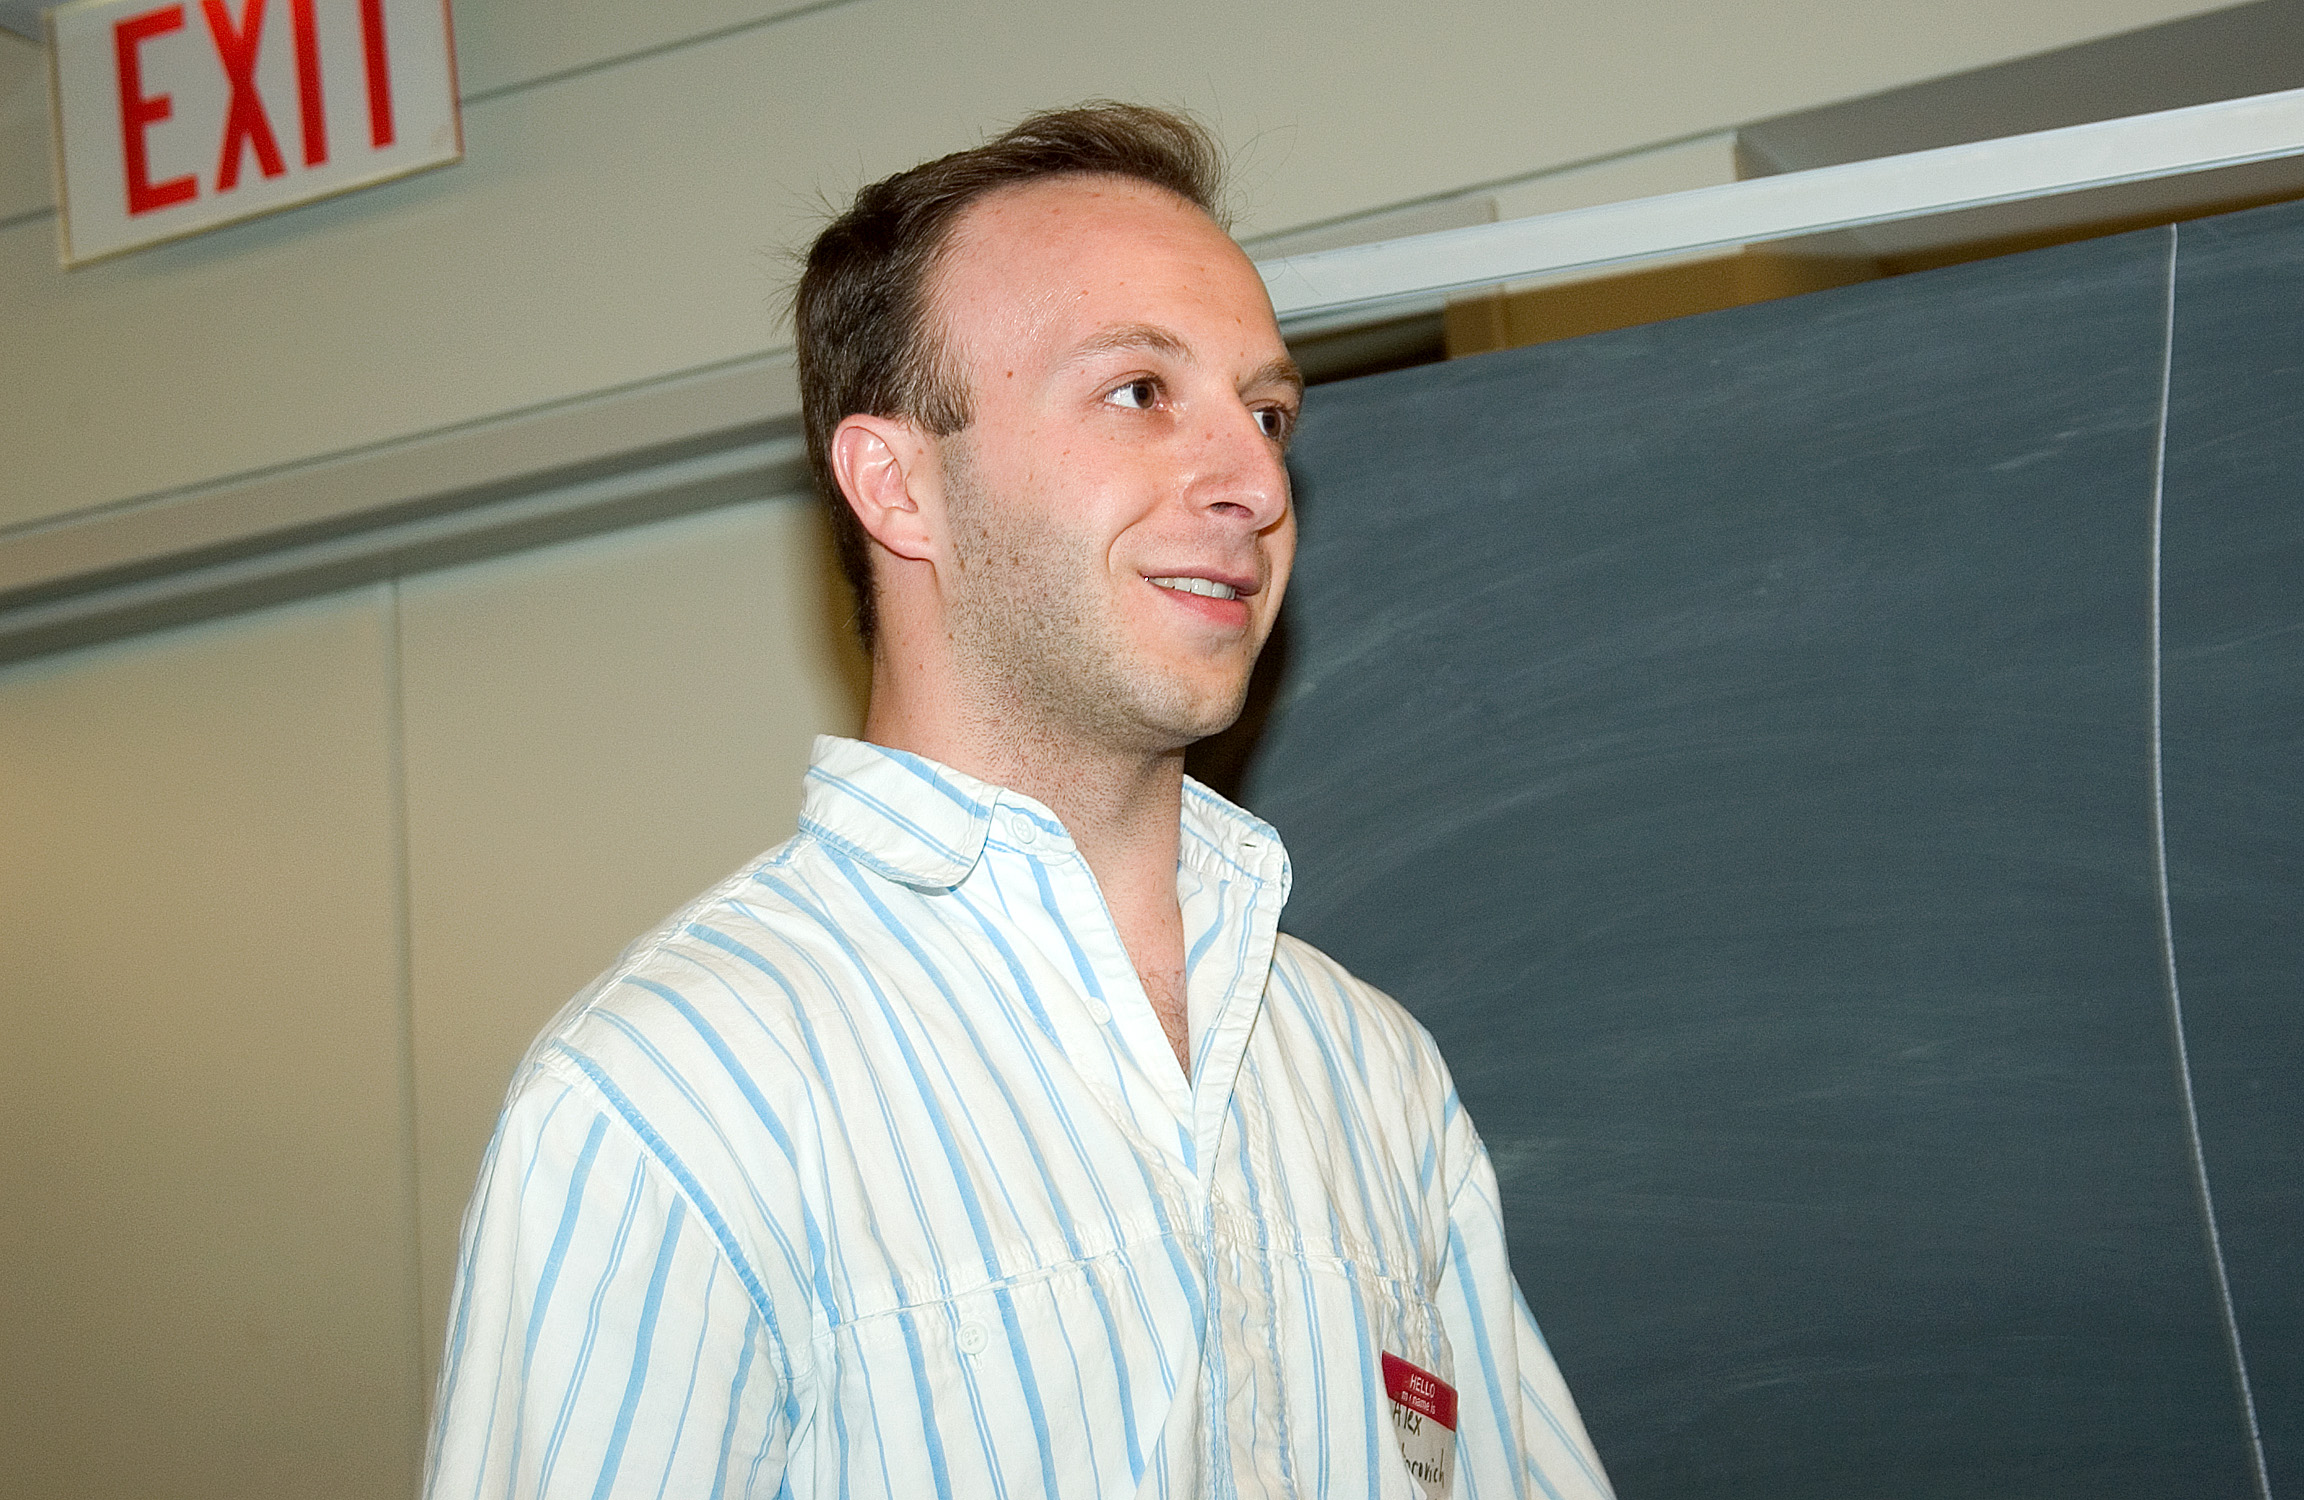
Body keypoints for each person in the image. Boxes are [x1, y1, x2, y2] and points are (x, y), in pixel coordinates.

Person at [425, 102, 1613, 1500]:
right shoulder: (674, 1101)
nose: (1255, 481)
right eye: (1140, 392)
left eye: (1268, 413)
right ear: (898, 486)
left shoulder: (1370, 1072)